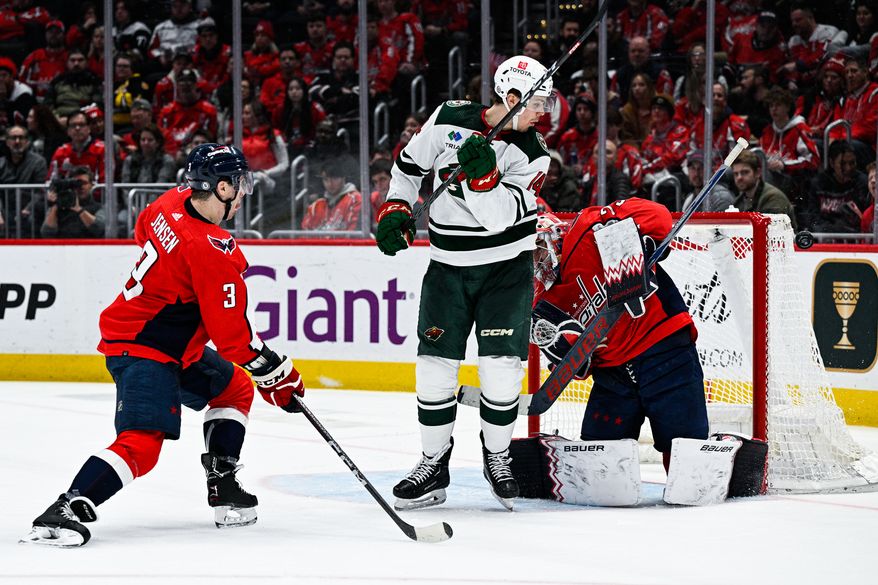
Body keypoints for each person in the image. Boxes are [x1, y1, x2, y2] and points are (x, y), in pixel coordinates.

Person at [21, 144, 306, 547]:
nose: (243, 193)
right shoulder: (211, 252)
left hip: (166, 346)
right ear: (221, 188)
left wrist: (261, 375)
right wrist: (279, 374)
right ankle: (65, 508)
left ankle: (223, 486)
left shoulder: (172, 201)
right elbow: (233, 340)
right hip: (143, 349)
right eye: (239, 185)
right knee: (143, 443)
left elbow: (143, 230)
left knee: (233, 389)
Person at [376, 55, 553, 511]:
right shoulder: (449, 117)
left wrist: (483, 180)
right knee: (434, 371)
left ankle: (498, 456)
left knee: (501, 372)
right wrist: (397, 206)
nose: (544, 112)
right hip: (447, 268)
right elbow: (408, 167)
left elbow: (497, 220)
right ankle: (433, 464)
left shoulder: (534, 153)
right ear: (510, 97)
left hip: (505, 271)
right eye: (536, 101)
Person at [531, 199, 708, 473]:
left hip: (665, 351)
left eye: (536, 252)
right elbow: (576, 370)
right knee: (598, 463)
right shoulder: (542, 305)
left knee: (686, 454)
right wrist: (571, 354)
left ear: (550, 236)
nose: (535, 263)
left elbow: (659, 216)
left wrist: (632, 233)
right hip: (613, 376)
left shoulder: (587, 228)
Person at [803, 140, 871, 234]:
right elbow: (812, 216)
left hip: (853, 237)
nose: (848, 168)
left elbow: (865, 217)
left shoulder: (863, 183)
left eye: (852, 163)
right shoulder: (819, 183)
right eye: (843, 164)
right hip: (824, 236)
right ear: (832, 163)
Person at [729, 149, 797, 227]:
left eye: (745, 172)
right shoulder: (738, 202)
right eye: (736, 174)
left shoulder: (773, 198)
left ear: (758, 173)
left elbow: (771, 232)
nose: (739, 177)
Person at [40, 165, 105, 239]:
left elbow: (101, 229)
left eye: (84, 183)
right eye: (77, 184)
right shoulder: (60, 205)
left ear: (91, 185)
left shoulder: (98, 207)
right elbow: (46, 233)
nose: (81, 187)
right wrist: (54, 206)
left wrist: (80, 210)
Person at [302, 159, 362, 231]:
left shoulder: (355, 199)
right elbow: (305, 234)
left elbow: (353, 232)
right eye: (326, 179)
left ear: (343, 177)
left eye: (335, 178)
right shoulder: (315, 206)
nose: (330, 184)